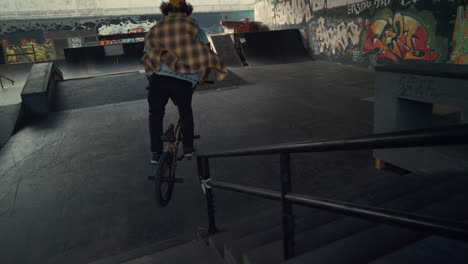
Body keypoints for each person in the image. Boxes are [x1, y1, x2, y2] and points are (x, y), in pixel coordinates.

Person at [141, 0, 227, 164]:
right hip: (184, 80)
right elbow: (208, 55)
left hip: (158, 79)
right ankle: (188, 149)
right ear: (186, 12)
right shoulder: (195, 29)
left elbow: (147, 58)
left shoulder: (156, 29)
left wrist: (151, 76)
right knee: (185, 112)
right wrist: (203, 77)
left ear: (166, 12)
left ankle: (156, 153)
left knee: (155, 114)